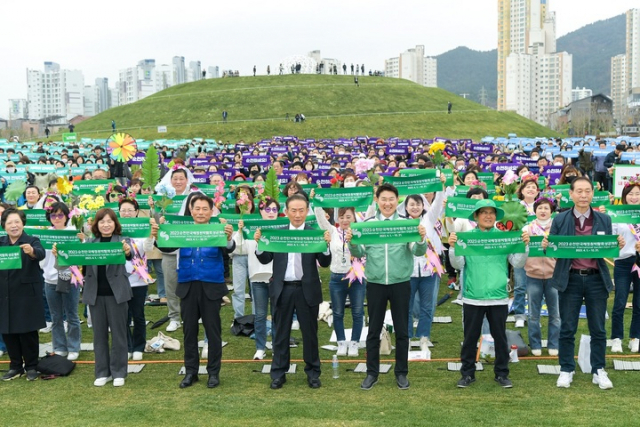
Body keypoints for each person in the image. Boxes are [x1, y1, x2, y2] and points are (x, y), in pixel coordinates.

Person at [542, 177, 624, 389]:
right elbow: (553, 247)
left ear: (592, 194)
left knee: (598, 329)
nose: (584, 195)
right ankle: (566, 369)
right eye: (579, 191)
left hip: (596, 279)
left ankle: (599, 370)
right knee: (568, 327)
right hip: (570, 279)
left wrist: (617, 244)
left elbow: (608, 248)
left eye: (587, 191)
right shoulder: (560, 219)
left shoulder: (604, 219)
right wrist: (546, 244)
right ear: (571, 194)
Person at [346, 183, 427, 391]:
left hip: (400, 283)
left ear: (397, 200)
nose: (387, 203)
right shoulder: (369, 224)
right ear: (377, 200)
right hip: (375, 283)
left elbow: (417, 252)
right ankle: (371, 373)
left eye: (391, 199)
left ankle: (401, 373)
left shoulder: (407, 224)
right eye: (383, 199)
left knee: (402, 330)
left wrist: (421, 238)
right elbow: (358, 252)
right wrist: (352, 242)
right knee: (373, 330)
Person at [154, 194, 235, 389]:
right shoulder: (182, 231)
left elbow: (229, 250)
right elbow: (166, 246)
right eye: (197, 209)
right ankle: (191, 372)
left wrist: (229, 238)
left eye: (204, 209)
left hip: (211, 286)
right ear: (191, 211)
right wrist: (159, 233)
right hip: (188, 286)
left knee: (213, 333)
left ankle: (213, 373)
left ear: (211, 211)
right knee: (189, 332)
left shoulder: (218, 230)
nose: (200, 212)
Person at [449, 199, 529, 388]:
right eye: (483, 212)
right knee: (469, 339)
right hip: (473, 296)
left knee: (500, 338)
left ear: (495, 216)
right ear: (476, 216)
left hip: (498, 296)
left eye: (491, 212)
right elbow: (457, 265)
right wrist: (453, 247)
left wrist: (525, 246)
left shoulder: (504, 237)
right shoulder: (466, 237)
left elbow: (517, 263)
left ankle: (502, 373)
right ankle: (467, 374)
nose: (488, 216)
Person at [254, 194, 331, 389]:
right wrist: (260, 244)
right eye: (293, 210)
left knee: (310, 334)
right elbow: (265, 259)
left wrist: (326, 246)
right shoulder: (277, 234)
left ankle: (313, 373)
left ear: (307, 211)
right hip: (283, 289)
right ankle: (279, 373)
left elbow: (324, 263)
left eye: (301, 210)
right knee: (280, 334)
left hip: (307, 289)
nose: (297, 215)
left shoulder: (314, 233)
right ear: (286, 212)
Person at [55, 208, 133, 387]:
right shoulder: (89, 242)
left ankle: (119, 371)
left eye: (109, 221)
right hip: (95, 294)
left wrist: (127, 251)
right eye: (102, 221)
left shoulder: (122, 241)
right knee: (99, 336)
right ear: (96, 225)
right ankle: (102, 372)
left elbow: (130, 255)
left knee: (119, 335)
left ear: (115, 223)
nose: (106, 225)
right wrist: (59, 255)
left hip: (117, 294)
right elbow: (72, 262)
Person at [0, 208, 46, 381]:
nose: (13, 226)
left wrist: (31, 252)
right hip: (4, 294)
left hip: (26, 294)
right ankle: (15, 366)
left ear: (23, 223)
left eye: (17, 222)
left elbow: (41, 254)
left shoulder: (32, 240)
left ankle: (32, 365)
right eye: (9, 222)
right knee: (8, 330)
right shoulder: (1, 242)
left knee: (28, 332)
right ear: (4, 226)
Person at [315, 206, 365, 357]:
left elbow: (370, 214)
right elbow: (320, 219)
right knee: (338, 312)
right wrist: (316, 201)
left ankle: (355, 343)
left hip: (356, 277)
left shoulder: (359, 232)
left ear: (354, 219)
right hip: (337, 277)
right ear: (337, 219)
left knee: (358, 312)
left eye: (348, 217)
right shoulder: (332, 231)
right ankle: (341, 342)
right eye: (342, 217)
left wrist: (371, 197)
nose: (345, 220)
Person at [41, 202, 83, 361]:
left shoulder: (73, 232)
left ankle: (74, 346)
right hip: (50, 280)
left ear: (67, 216)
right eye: (53, 215)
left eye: (60, 215)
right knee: (55, 316)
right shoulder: (45, 235)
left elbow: (80, 256)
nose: (57, 218)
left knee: (72, 314)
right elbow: (41, 259)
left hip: (70, 278)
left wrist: (81, 242)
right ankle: (59, 347)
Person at [523, 197, 559, 356]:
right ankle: (535, 344)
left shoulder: (558, 228)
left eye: (546, 208)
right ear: (534, 210)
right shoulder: (527, 229)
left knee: (555, 314)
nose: (543, 211)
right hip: (533, 275)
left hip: (554, 276)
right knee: (533, 314)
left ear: (552, 211)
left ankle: (554, 343)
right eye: (540, 208)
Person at [246, 197, 279, 360]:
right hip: (257, 277)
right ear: (260, 211)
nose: (271, 213)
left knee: (276, 313)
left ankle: (276, 344)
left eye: (274, 209)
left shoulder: (283, 229)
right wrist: (240, 232)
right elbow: (239, 249)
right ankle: (260, 347)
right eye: (268, 209)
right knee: (260, 315)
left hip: (276, 278)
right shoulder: (252, 229)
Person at [610, 179, 640, 353]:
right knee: (619, 302)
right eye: (630, 194)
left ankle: (635, 337)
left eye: (637, 194)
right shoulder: (617, 214)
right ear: (624, 197)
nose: (634, 197)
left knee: (639, 303)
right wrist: (617, 242)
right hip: (622, 262)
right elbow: (610, 237)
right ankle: (616, 338)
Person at [119, 198, 151, 361]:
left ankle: (139, 346)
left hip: (138, 279)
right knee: (122, 316)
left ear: (136, 212)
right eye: (123, 210)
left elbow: (149, 248)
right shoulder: (113, 230)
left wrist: (151, 235)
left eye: (130, 210)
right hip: (119, 280)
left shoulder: (143, 230)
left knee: (138, 314)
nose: (126, 213)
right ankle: (127, 346)